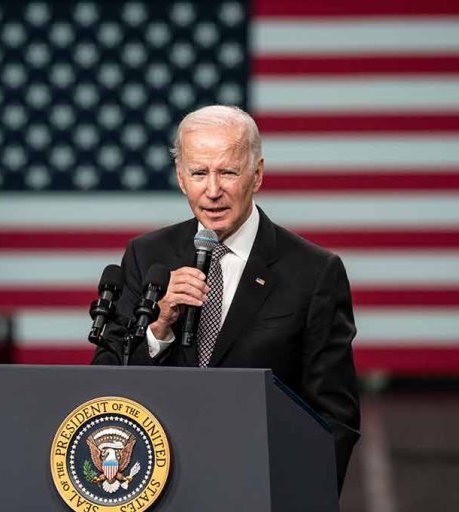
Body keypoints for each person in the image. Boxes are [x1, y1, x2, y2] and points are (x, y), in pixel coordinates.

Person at [92, 105, 360, 490]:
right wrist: (158, 327)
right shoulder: (146, 256)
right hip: (158, 486)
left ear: (257, 174)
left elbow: (335, 415)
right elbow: (105, 379)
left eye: (228, 172)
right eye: (199, 173)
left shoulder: (314, 272)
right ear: (181, 179)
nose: (213, 190)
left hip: (261, 483)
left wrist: (302, 496)